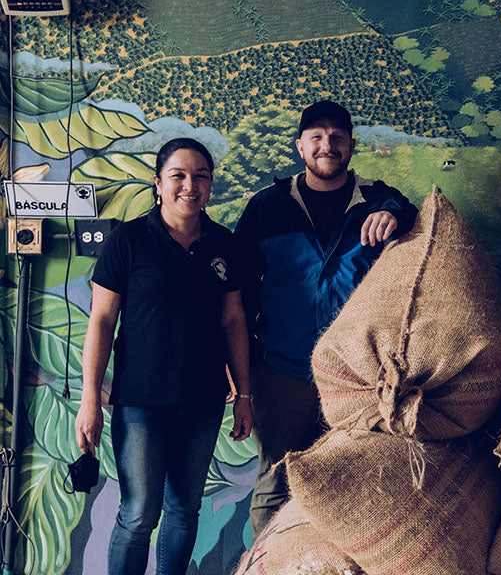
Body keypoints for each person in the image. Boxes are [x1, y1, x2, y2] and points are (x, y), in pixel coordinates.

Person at [235, 100, 417, 535]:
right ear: (300, 146)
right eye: (316, 137)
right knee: (276, 483)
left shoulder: (376, 201)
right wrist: (243, 366)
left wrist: (394, 210)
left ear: (351, 146)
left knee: (353, 483)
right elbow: (236, 293)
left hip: (356, 374)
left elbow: (419, 220)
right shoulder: (267, 208)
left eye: (337, 138)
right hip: (281, 372)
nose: (327, 146)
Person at [75, 138, 253, 575]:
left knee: (184, 509)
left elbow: (233, 321)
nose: (189, 185)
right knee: (138, 515)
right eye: (178, 175)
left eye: (200, 176)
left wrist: (244, 395)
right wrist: (89, 400)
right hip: (141, 401)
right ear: (158, 183)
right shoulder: (128, 240)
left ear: (210, 186)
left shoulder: (223, 245)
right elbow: (100, 322)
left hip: (203, 399)